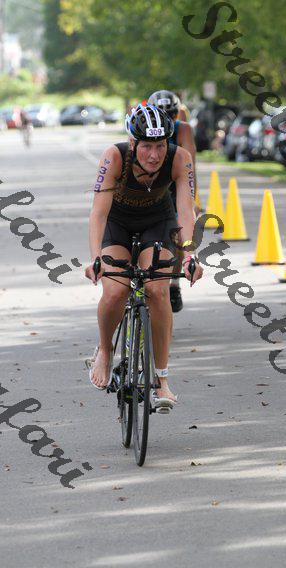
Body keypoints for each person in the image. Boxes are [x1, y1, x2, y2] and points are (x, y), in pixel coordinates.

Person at [85, 103, 203, 409]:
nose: (154, 155)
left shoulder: (180, 158)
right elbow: (98, 214)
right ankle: (105, 350)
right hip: (117, 224)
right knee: (116, 291)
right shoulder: (114, 157)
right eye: (147, 146)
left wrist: (189, 254)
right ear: (133, 143)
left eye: (160, 145)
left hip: (158, 223)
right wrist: (95, 258)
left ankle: (162, 382)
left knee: (157, 290)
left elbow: (186, 211)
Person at [147, 90, 197, 313]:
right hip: (148, 187)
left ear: (177, 115)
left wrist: (191, 200)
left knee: (178, 234)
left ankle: (174, 284)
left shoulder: (182, 129)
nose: (166, 119)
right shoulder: (143, 127)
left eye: (171, 114)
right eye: (160, 114)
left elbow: (190, 167)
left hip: (174, 185)